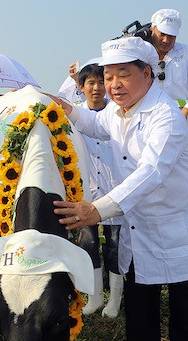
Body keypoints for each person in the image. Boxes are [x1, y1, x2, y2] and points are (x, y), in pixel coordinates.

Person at [50, 37, 188, 341]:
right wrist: (66, 109)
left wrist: (98, 209)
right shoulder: (119, 111)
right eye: (108, 77)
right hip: (139, 231)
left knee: (185, 317)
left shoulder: (166, 114)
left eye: (123, 75)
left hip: (178, 230)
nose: (113, 85)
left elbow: (152, 171)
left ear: (147, 73)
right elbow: (94, 123)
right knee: (140, 315)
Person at [73, 63, 124, 318]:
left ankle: (114, 300)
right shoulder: (73, 117)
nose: (96, 88)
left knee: (115, 245)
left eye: (100, 82)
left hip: (114, 190)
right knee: (88, 245)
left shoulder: (117, 113)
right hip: (86, 192)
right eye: (90, 83)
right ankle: (94, 298)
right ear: (80, 87)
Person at [149, 8, 188, 190]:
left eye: (172, 36)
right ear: (152, 29)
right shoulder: (141, 53)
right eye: (162, 34)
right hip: (152, 127)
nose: (167, 40)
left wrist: (185, 112)